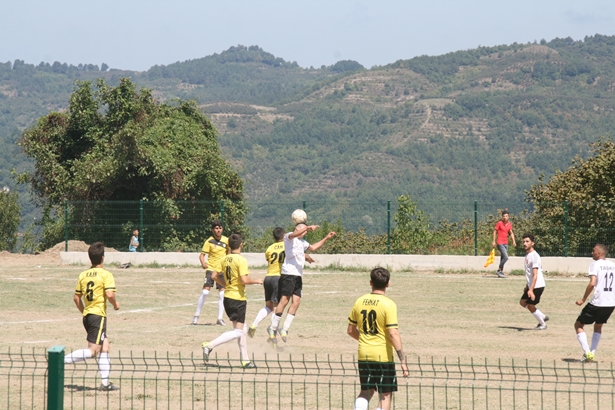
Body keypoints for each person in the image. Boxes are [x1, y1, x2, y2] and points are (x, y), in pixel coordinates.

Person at [347, 267, 409, 410]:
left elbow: (350, 330)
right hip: (383, 356)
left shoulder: (359, 301)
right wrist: (403, 361)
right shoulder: (389, 304)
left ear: (371, 283)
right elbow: (393, 334)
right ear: (388, 283)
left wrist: (366, 340)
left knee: (366, 391)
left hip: (364, 353)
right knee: (385, 395)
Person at [267, 223, 335, 349]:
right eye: (303, 229)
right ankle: (273, 328)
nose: (305, 232)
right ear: (297, 229)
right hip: (288, 274)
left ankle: (284, 329)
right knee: (284, 300)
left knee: (296, 302)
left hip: (297, 275)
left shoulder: (302, 243)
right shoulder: (289, 237)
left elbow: (313, 248)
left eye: (306, 230)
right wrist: (307, 227)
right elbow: (295, 234)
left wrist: (326, 238)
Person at [63, 242, 121, 391]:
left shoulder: (83, 275)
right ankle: (59, 361)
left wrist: (85, 312)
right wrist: (115, 304)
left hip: (88, 316)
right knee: (93, 351)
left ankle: (105, 383)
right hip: (98, 316)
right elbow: (110, 294)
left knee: (105, 347)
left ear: (90, 258)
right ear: (103, 257)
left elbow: (76, 298)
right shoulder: (106, 274)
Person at [201, 233, 263, 368]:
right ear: (241, 245)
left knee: (242, 329)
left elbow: (213, 276)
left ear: (228, 246)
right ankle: (209, 345)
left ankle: (245, 360)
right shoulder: (241, 260)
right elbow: (244, 280)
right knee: (238, 332)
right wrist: (257, 281)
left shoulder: (224, 259)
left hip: (227, 297)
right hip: (237, 298)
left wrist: (225, 284)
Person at [574, 244, 615, 363]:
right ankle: (592, 352)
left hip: (597, 302)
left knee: (578, 325)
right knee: (598, 326)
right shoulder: (613, 265)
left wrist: (583, 299)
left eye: (594, 251)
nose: (592, 253)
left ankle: (587, 353)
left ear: (599, 253)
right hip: (610, 303)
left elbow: (592, 283)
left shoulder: (595, 265)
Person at [193, 220, 228, 326]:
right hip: (211, 269)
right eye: (216, 228)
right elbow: (202, 255)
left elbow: (228, 254)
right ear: (213, 230)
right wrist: (203, 263)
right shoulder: (209, 241)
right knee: (205, 292)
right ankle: (196, 315)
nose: (218, 230)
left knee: (222, 294)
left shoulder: (226, 240)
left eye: (220, 228)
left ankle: (220, 318)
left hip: (221, 270)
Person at [519, 233, 549, 330]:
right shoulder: (528, 255)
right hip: (531, 285)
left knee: (531, 306)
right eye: (524, 241)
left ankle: (543, 324)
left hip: (537, 286)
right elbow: (529, 274)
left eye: (527, 241)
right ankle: (542, 316)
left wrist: (531, 290)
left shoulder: (535, 256)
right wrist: (527, 286)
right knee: (523, 302)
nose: (525, 243)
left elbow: (535, 275)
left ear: (532, 243)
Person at [492, 210, 516, 278]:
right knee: (506, 257)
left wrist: (513, 241)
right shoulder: (499, 223)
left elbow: (511, 232)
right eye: (504, 216)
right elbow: (495, 231)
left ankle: (500, 272)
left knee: (502, 257)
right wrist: (493, 241)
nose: (505, 217)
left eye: (506, 216)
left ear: (508, 217)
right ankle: (499, 270)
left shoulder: (509, 224)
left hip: (506, 243)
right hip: (500, 242)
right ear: (502, 217)